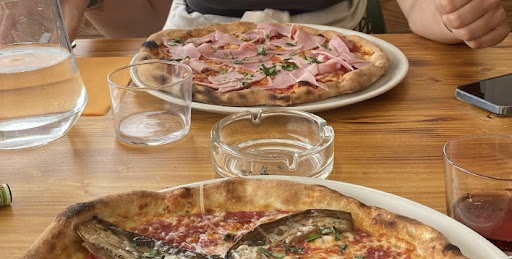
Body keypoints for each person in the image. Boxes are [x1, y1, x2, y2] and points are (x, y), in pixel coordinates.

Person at [59, 0, 510, 49]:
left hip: (339, 50)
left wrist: (458, 16)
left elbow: (421, 6)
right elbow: (143, 23)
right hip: (193, 58)